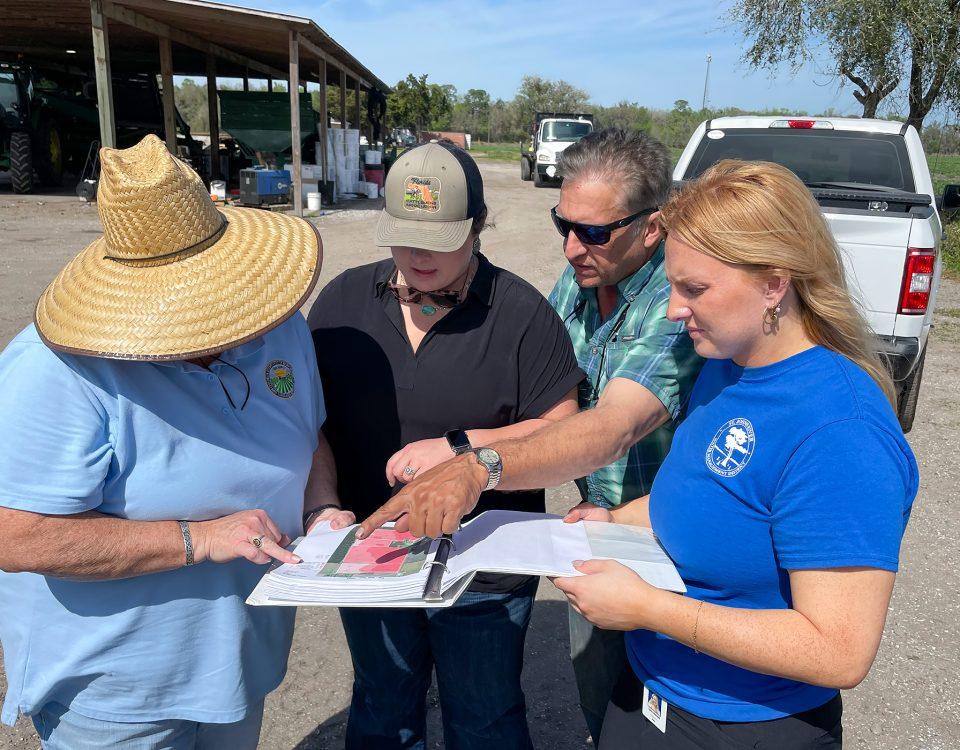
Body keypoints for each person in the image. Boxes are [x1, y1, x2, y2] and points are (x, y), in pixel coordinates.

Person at [0, 134, 353, 750]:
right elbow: (15, 533)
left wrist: (321, 507)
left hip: (242, 664)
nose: (223, 328)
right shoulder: (54, 369)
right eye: (193, 312)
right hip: (118, 695)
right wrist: (201, 538)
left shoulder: (279, 323)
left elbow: (309, 429)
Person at [552, 160, 919, 748]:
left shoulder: (839, 431)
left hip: (746, 726)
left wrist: (649, 609)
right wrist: (618, 519)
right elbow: (712, 496)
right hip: (652, 694)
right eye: (673, 285)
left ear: (775, 284)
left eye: (694, 289)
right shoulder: (727, 365)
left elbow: (839, 651)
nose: (674, 309)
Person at [357, 128, 703, 743]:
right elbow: (543, 396)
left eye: (593, 231)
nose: (571, 249)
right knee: (607, 705)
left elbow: (611, 427)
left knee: (672, 713)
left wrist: (470, 458)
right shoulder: (585, 278)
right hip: (598, 528)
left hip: (672, 542)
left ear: (653, 227)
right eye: (560, 224)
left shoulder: (680, 304)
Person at [307, 140, 584, 750]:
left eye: (442, 237)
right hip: (372, 557)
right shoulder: (343, 303)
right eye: (405, 236)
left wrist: (463, 446)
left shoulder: (520, 313)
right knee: (382, 707)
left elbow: (564, 425)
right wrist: (321, 507)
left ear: (479, 226)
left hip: (482, 565)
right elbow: (309, 423)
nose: (420, 254)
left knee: (484, 717)